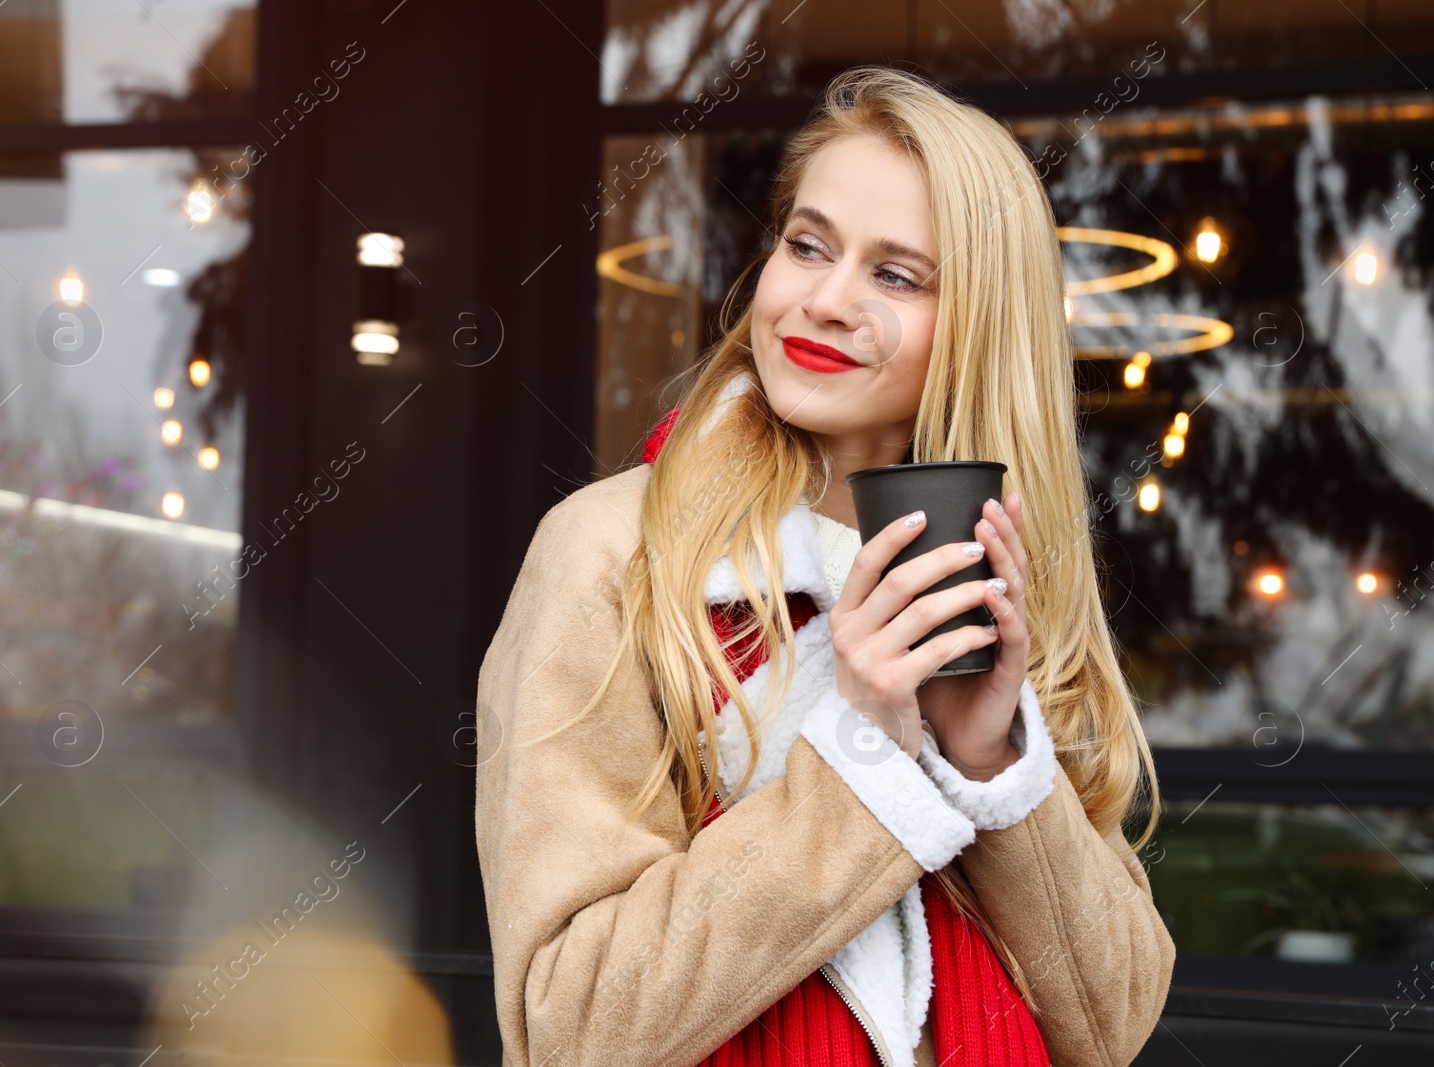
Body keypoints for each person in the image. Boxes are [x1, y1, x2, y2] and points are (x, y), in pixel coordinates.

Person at [475, 65, 1174, 1067]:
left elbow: (1110, 1022)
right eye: (806, 246)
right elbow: (573, 1027)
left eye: (896, 275)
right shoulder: (614, 555)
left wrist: (987, 763)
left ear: (975, 327)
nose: (827, 300)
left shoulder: (990, 573)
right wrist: (863, 757)